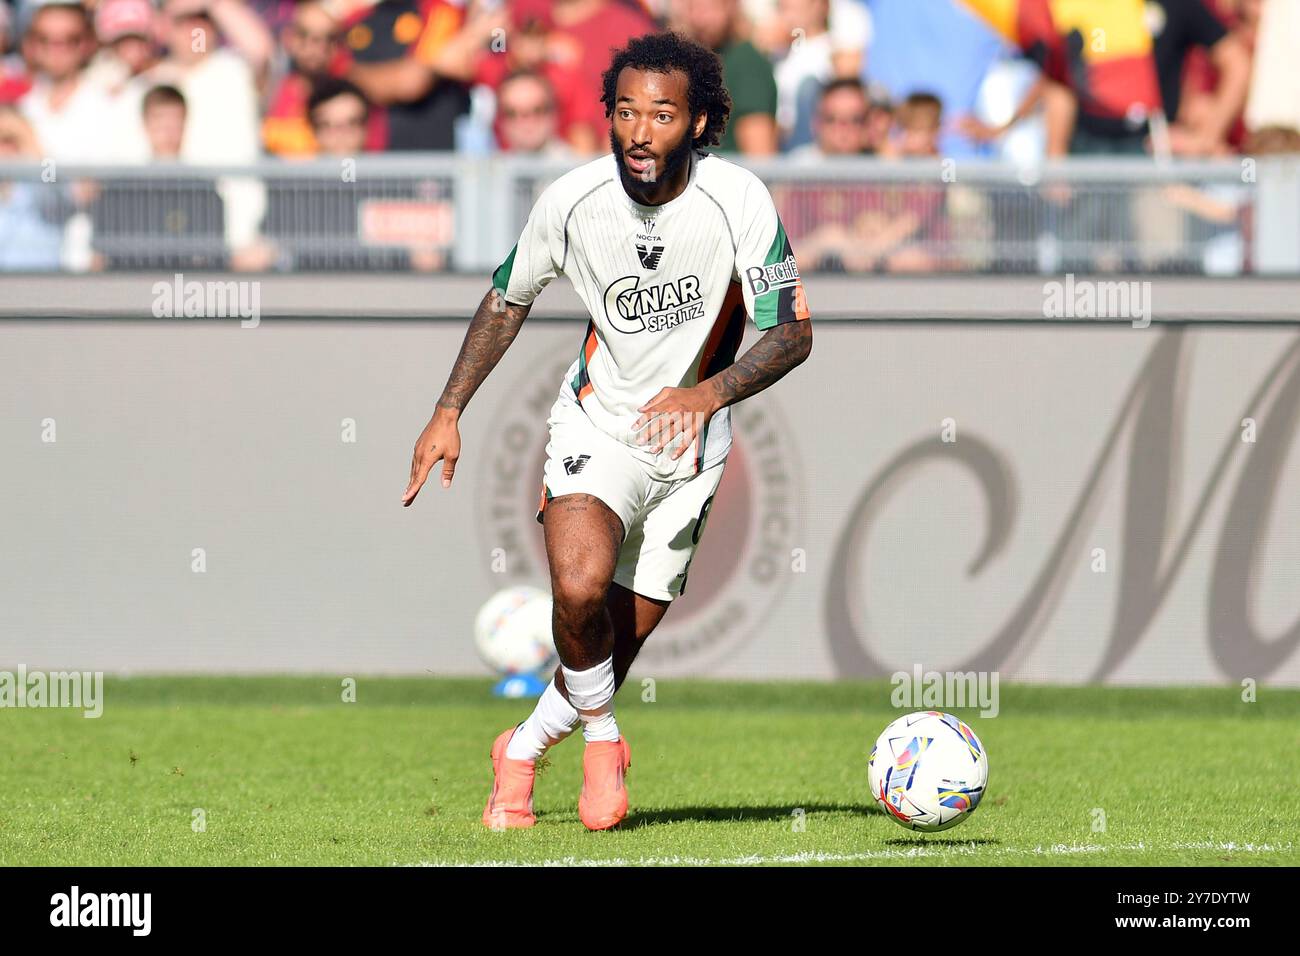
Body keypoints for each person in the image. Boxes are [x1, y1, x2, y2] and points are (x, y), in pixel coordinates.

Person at [401, 31, 813, 832]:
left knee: (610, 650)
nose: (637, 130)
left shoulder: (740, 201)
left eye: (660, 113)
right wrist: (449, 407)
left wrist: (708, 395)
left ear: (697, 124)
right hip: (598, 428)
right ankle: (602, 738)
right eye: (624, 110)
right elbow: (506, 300)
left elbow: (791, 333)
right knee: (580, 586)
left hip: (693, 452)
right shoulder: (572, 200)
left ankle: (519, 749)